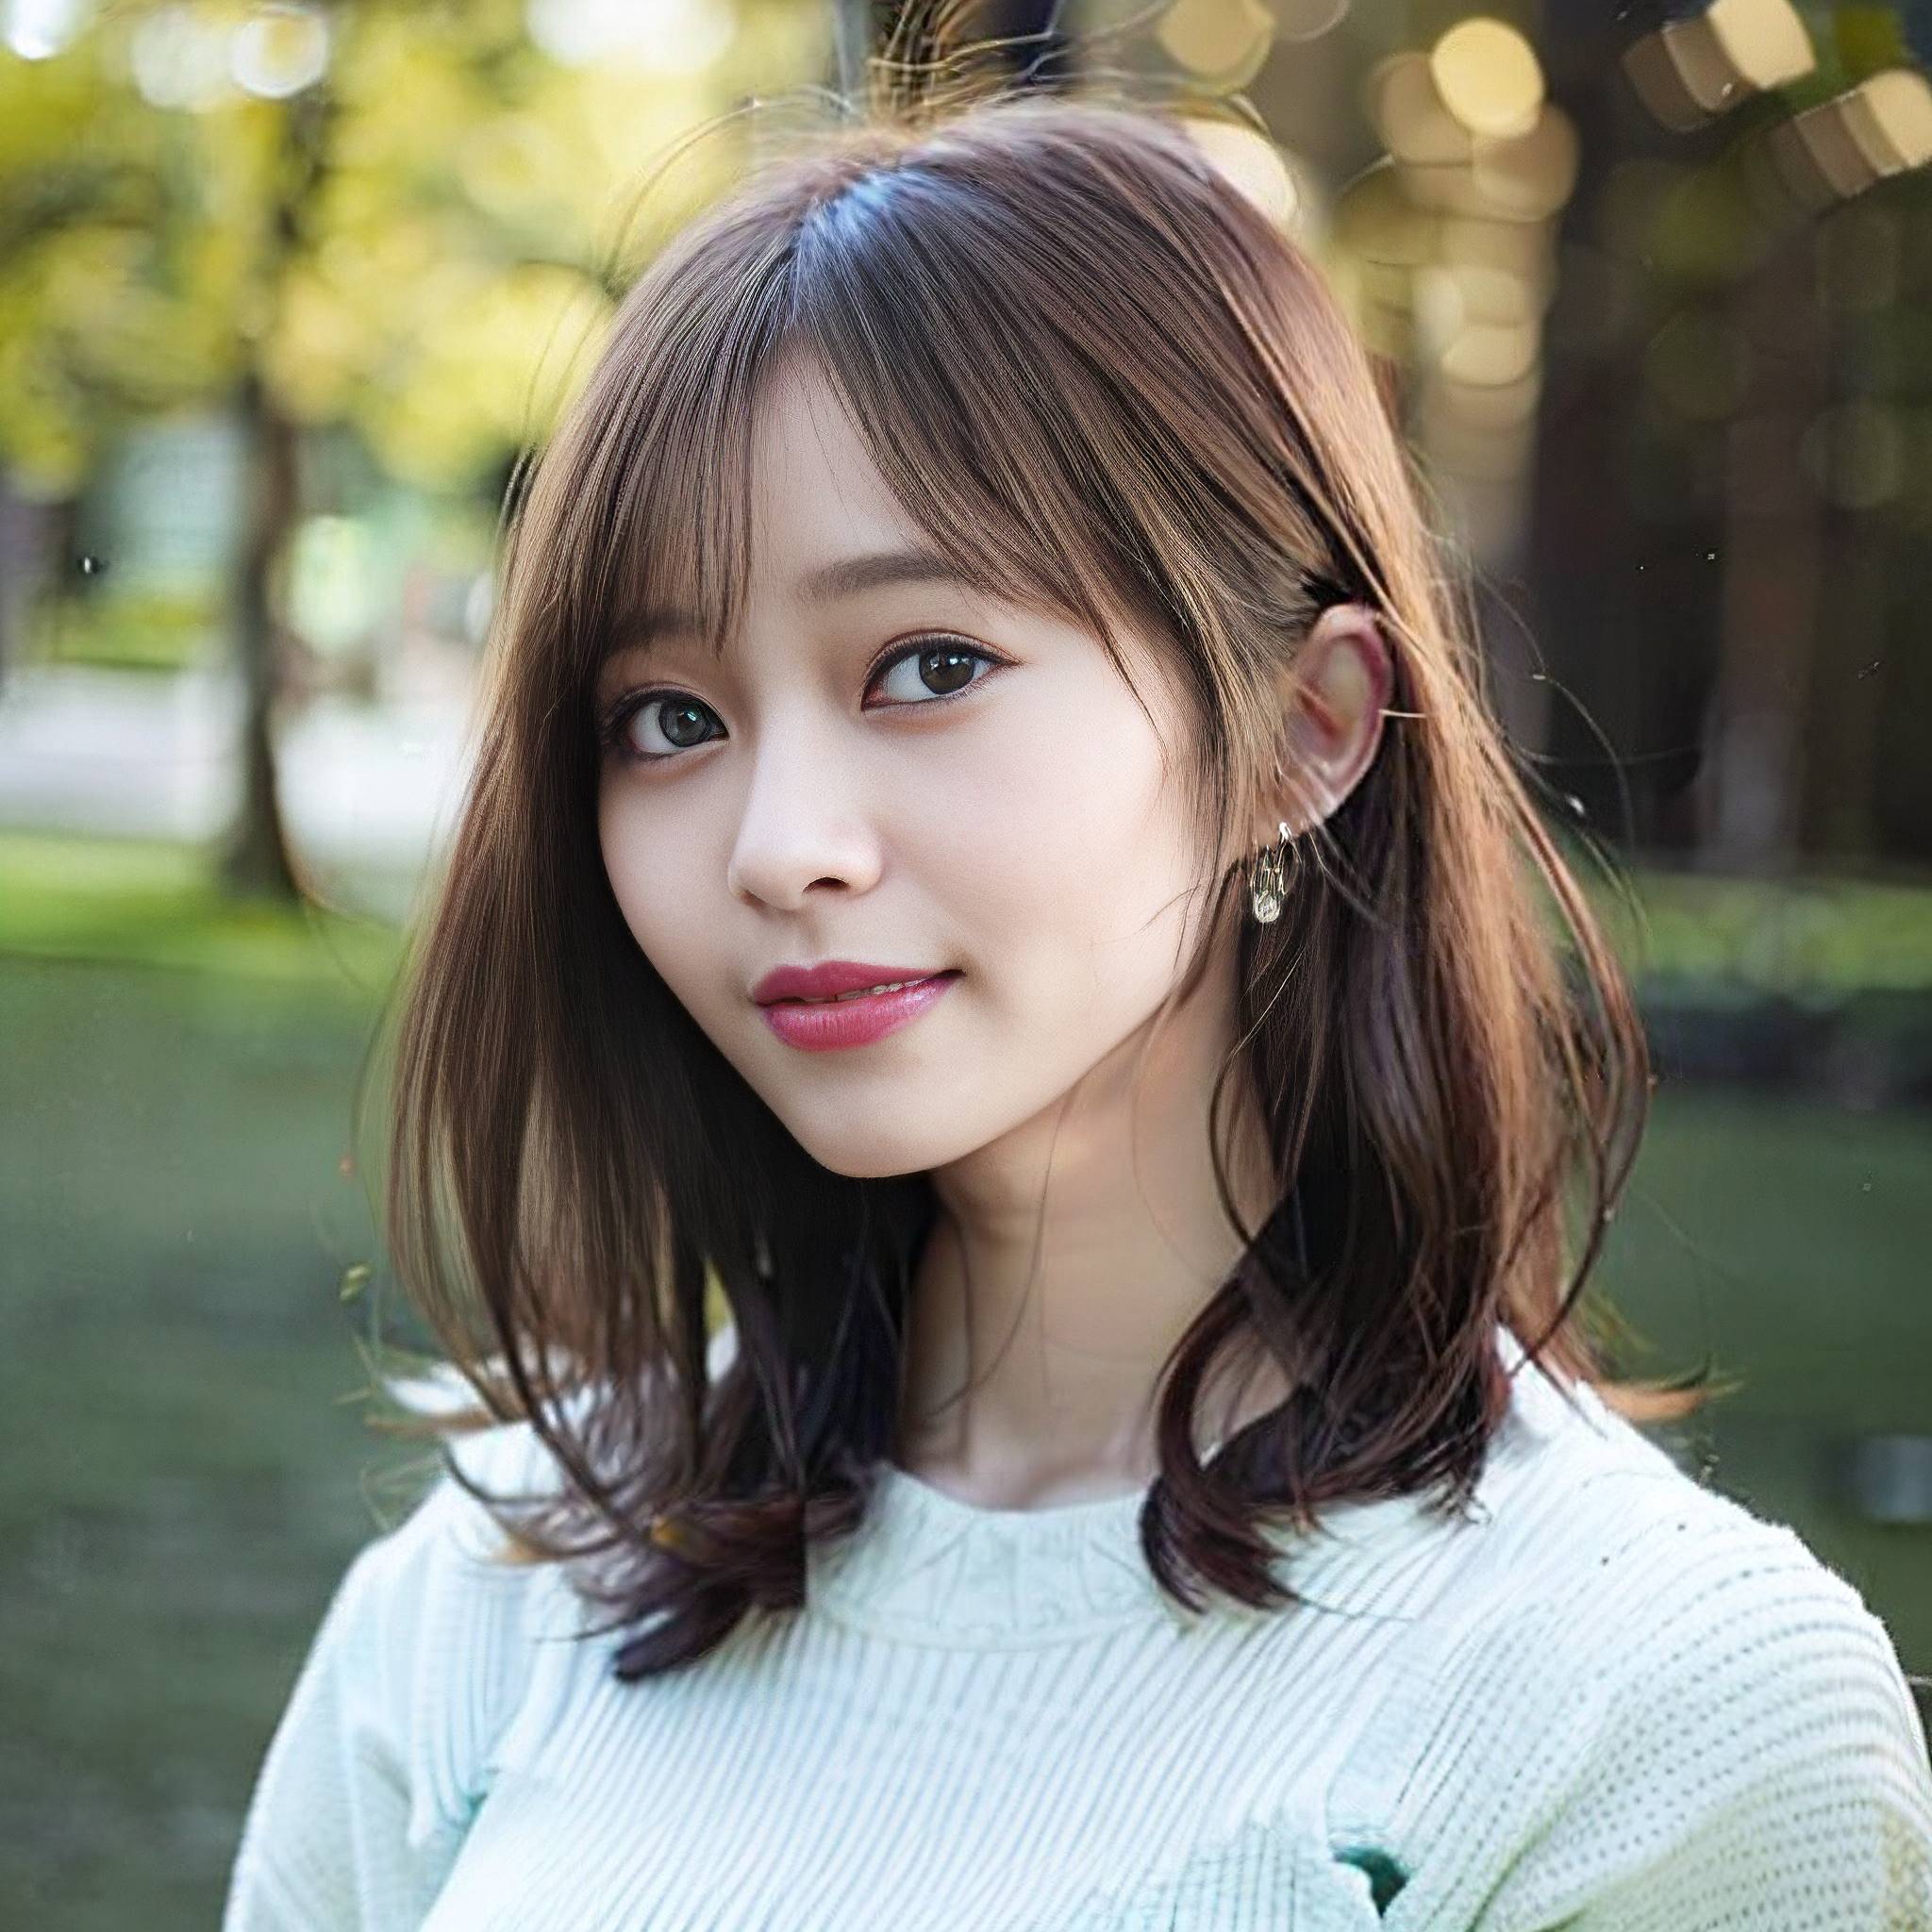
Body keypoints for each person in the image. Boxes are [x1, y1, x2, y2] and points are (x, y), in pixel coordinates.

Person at [221, 90, 1932, 1930]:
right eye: (669, 716)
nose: (777, 844)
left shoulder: (1654, 1712)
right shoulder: (494, 1586)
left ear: (1304, 729)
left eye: (927, 666)